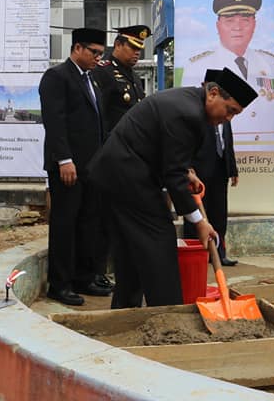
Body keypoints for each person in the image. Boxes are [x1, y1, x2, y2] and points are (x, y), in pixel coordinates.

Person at [89, 67, 256, 309]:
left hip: (118, 175)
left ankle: (125, 311)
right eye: (230, 110)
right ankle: (169, 314)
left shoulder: (189, 102)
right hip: (127, 176)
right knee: (159, 240)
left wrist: (187, 171)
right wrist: (199, 221)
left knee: (131, 247)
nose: (228, 119)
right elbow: (173, 175)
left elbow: (168, 152)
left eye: (235, 115)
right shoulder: (188, 113)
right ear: (214, 93)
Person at [38, 27, 112, 306]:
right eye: (93, 52)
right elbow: (55, 123)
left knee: (88, 223)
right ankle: (60, 284)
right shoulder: (57, 77)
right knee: (65, 225)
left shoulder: (92, 80)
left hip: (92, 166)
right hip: (67, 167)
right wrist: (64, 160)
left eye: (100, 54)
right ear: (77, 48)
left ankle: (84, 277)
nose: (97, 58)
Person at [183, 0, 274, 139]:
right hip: (221, 159)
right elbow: (189, 124)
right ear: (218, 26)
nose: (237, 27)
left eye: (245, 20)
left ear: (254, 24)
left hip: (268, 159)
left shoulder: (270, 63)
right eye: (229, 20)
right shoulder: (197, 67)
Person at [90, 24, 149, 289]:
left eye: (140, 49)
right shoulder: (103, 73)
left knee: (117, 218)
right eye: (133, 48)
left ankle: (109, 270)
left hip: (131, 158)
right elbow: (98, 117)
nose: (137, 54)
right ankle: (95, 272)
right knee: (101, 218)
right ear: (119, 45)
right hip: (109, 156)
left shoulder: (134, 77)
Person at [183, 70, 240, 266]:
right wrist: (188, 168)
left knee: (219, 212)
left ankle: (220, 252)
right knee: (197, 211)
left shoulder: (225, 114)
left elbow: (227, 142)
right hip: (198, 170)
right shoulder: (197, 113)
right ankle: (197, 253)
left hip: (219, 168)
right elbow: (186, 145)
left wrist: (232, 168)